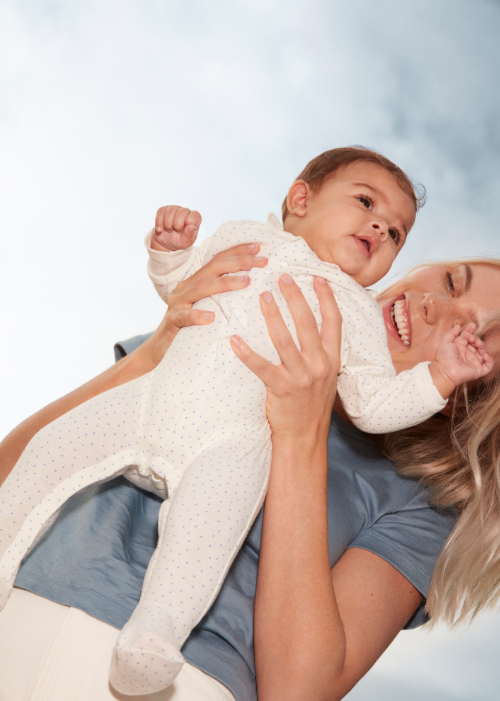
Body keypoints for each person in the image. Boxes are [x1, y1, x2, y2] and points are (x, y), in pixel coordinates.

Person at [0, 149, 492, 696]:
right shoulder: (212, 320)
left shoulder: (418, 503)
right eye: (451, 282)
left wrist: (301, 435)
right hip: (17, 609)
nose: (435, 309)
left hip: (178, 681)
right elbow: (11, 468)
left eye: (474, 336)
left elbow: (298, 690)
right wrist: (155, 349)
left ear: (463, 396)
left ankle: (155, 634)